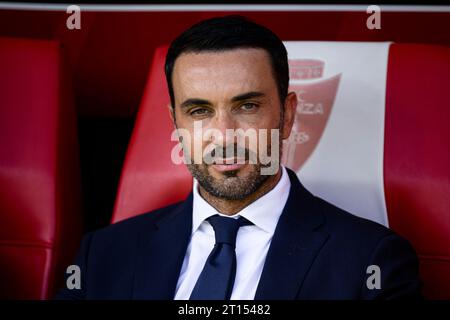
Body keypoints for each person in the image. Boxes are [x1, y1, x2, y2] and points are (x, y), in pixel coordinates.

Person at [55, 15, 421, 300]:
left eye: (247, 106)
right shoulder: (102, 255)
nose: (224, 134)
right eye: (199, 111)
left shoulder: (371, 261)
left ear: (288, 114)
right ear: (175, 123)